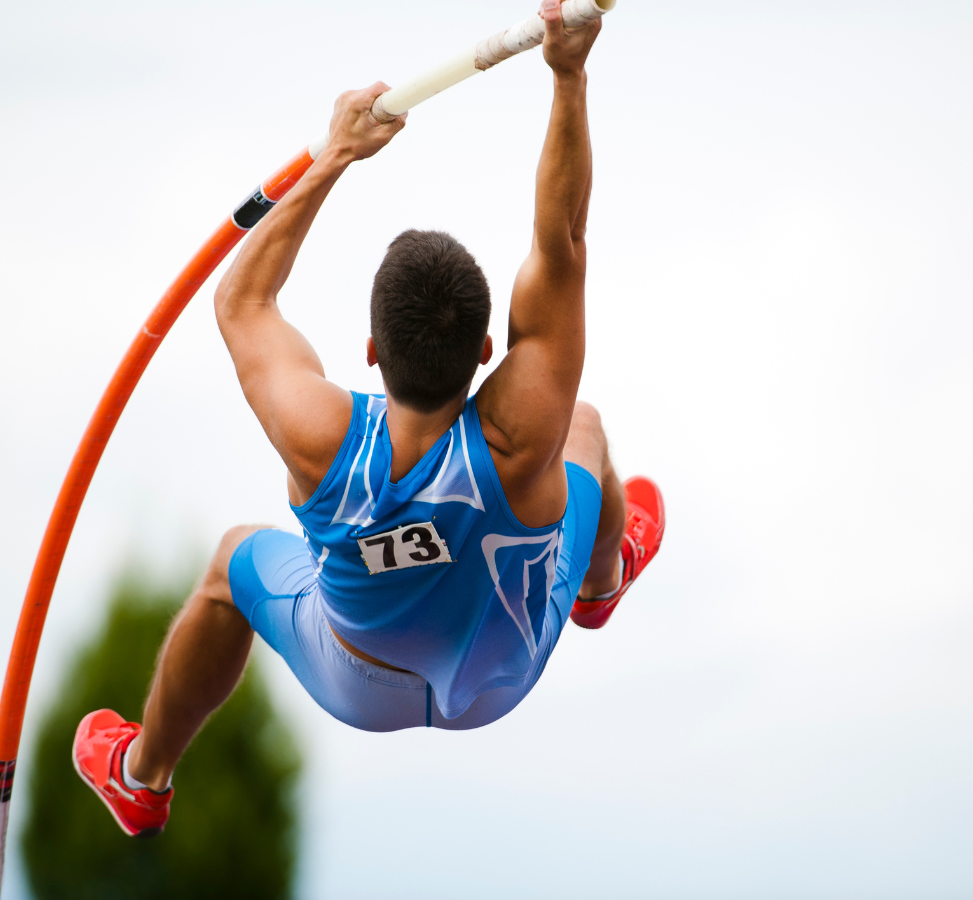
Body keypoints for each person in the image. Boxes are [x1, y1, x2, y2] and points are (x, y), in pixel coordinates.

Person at [72, 0, 664, 837]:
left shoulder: (322, 439)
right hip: (502, 672)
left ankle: (143, 775)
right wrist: (568, 77)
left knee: (231, 565)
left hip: (356, 679)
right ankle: (601, 584)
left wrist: (335, 155)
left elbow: (242, 304)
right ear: (489, 346)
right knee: (588, 429)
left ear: (371, 352)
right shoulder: (520, 429)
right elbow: (561, 242)